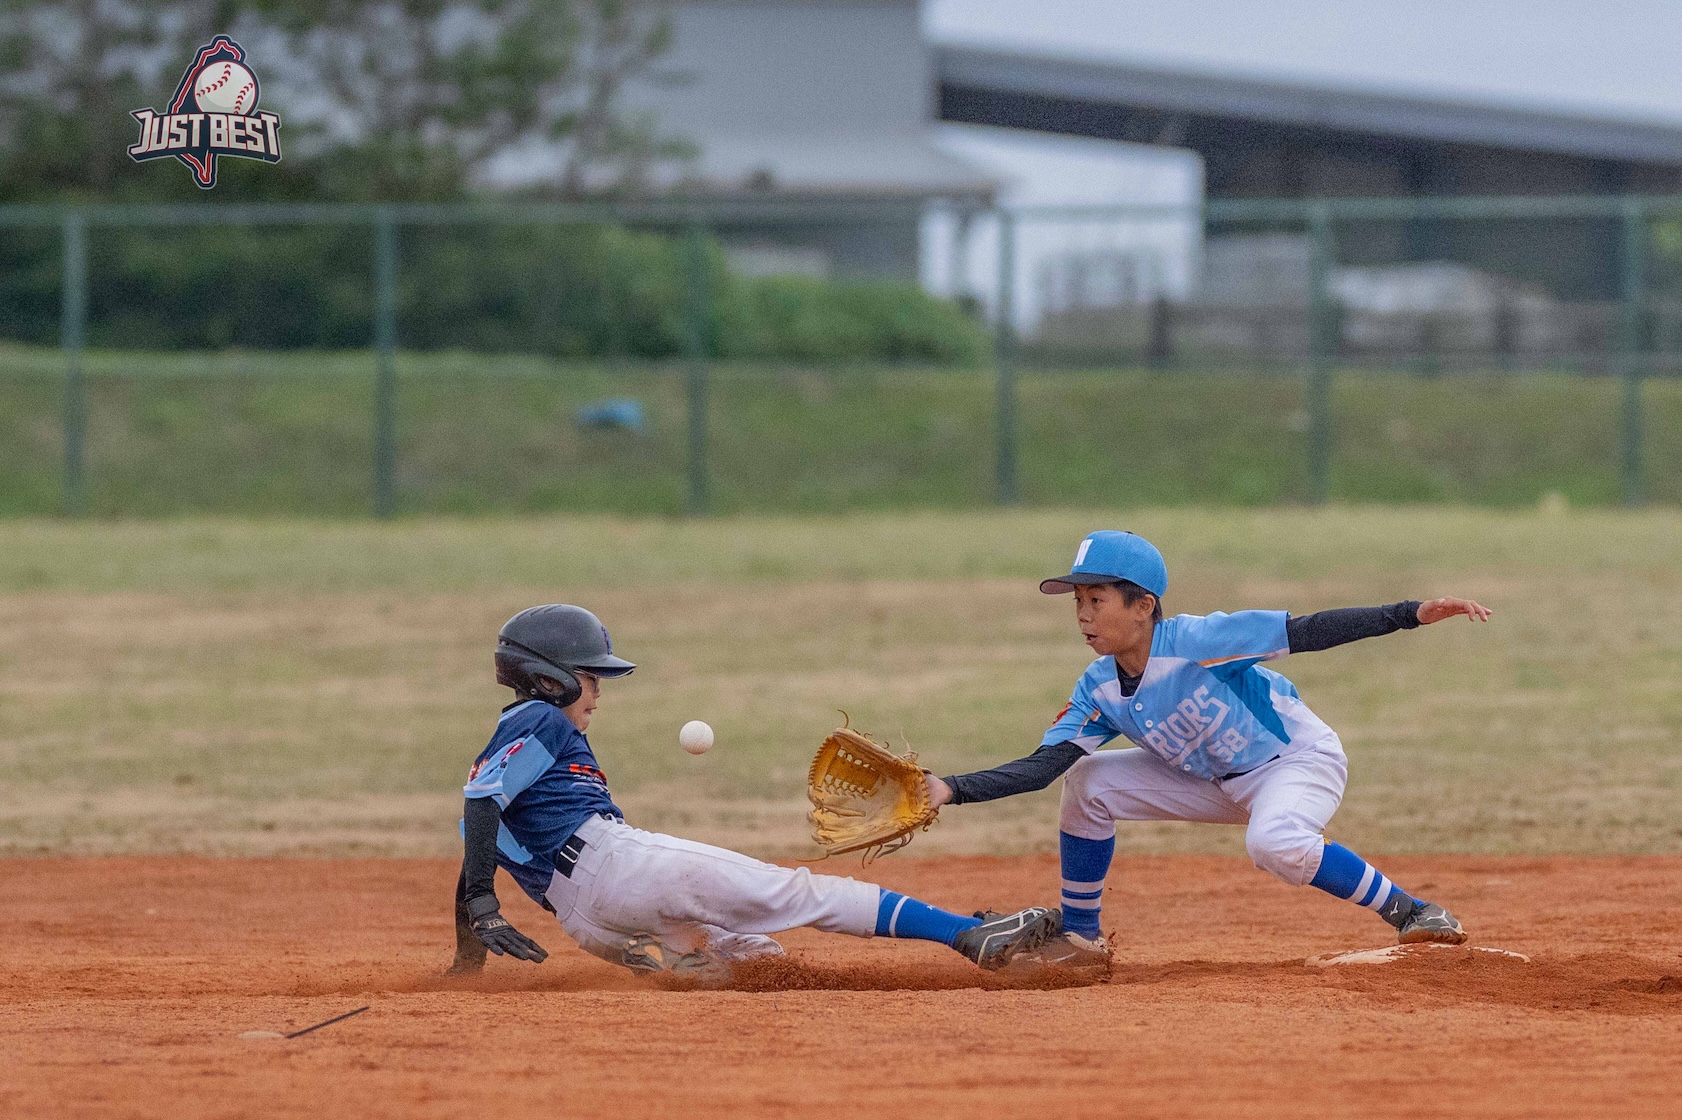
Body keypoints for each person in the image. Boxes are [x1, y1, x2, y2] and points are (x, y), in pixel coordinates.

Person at [925, 531, 1492, 967]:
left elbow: (1309, 630)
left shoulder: (1199, 642)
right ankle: (1081, 937)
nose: (1083, 614)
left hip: (1295, 762)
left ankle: (1415, 912)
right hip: (1215, 781)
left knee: (1273, 842)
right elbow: (1043, 767)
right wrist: (950, 789)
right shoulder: (1098, 688)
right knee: (1088, 780)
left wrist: (1409, 614)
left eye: (1097, 598)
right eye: (1078, 599)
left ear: (1143, 606)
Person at [449, 603, 1059, 980]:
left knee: (757, 962)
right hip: (621, 868)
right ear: (548, 679)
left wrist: (470, 954)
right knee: (801, 893)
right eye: (590, 677)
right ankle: (967, 933)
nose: (598, 692)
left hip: (592, 927)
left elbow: (478, 833)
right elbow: (481, 802)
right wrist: (484, 905)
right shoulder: (541, 718)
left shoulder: (509, 759)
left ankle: (689, 976)